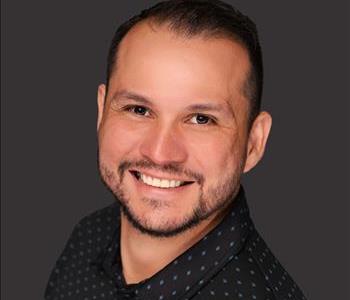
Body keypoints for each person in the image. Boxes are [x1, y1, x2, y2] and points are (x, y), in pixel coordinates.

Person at [45, 1, 307, 299]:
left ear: (254, 143)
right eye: (139, 110)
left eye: (201, 119)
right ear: (101, 111)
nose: (159, 153)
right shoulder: (88, 236)